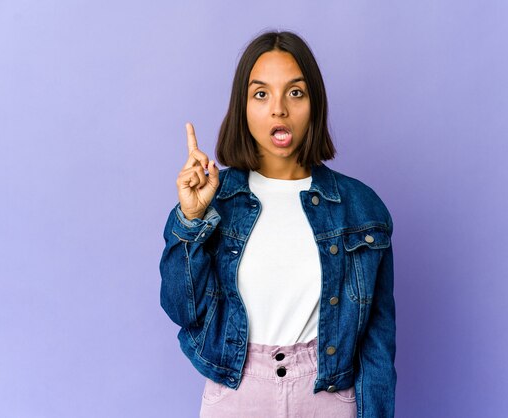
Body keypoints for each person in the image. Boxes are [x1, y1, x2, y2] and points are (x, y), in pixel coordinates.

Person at [160, 30, 396, 418]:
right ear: (243, 107)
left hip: (328, 397)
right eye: (261, 94)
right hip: (237, 395)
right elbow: (182, 308)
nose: (279, 109)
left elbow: (376, 344)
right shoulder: (215, 201)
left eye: (295, 92)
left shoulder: (361, 209)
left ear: (314, 104)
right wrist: (190, 219)